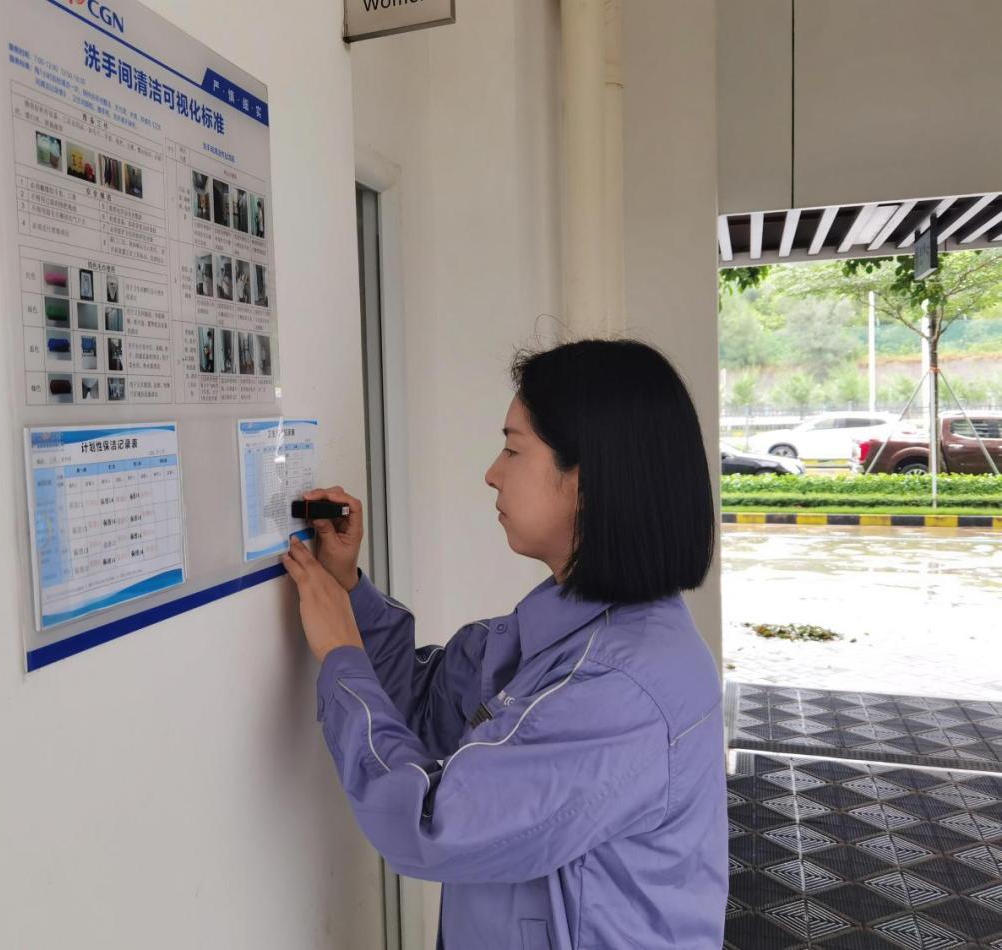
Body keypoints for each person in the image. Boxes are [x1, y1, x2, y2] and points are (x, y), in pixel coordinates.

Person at [280, 338, 727, 949]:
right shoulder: (564, 628)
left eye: (513, 449)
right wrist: (349, 592)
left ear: (586, 481)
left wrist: (341, 653)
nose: (492, 473)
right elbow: (426, 706)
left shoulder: (621, 688)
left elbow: (430, 824)